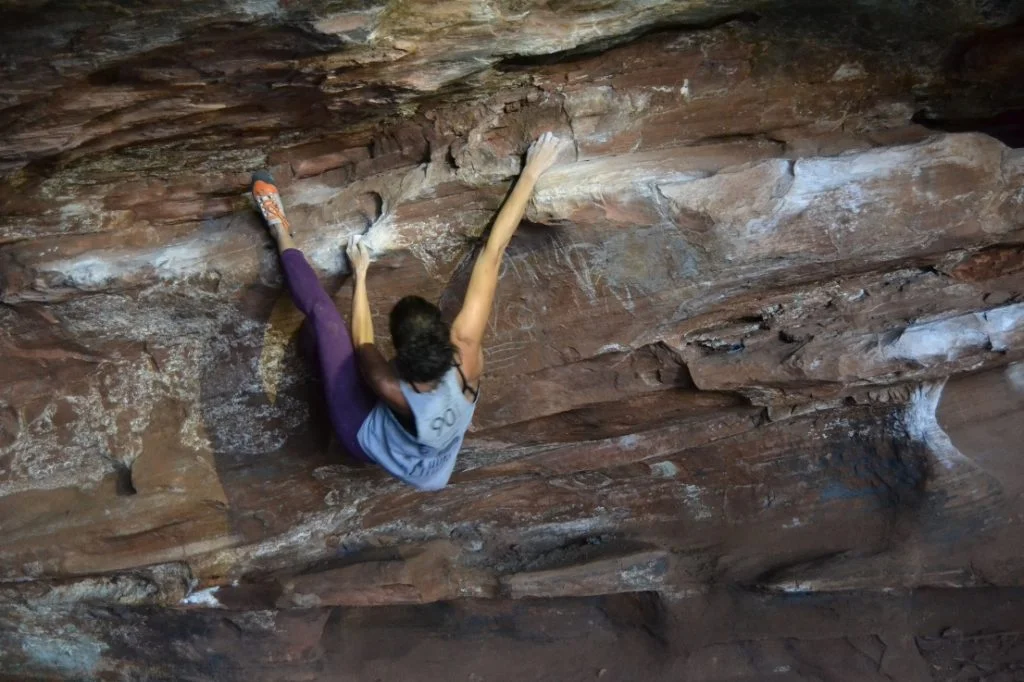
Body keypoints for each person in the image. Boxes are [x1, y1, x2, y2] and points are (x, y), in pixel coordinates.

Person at [250, 132, 563, 490]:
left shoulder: (387, 385)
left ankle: (279, 229)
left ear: (397, 358)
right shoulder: (467, 353)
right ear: (444, 337)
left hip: (366, 435)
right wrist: (531, 174)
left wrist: (361, 275)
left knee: (324, 318)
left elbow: (363, 342)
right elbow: (494, 252)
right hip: (429, 465)